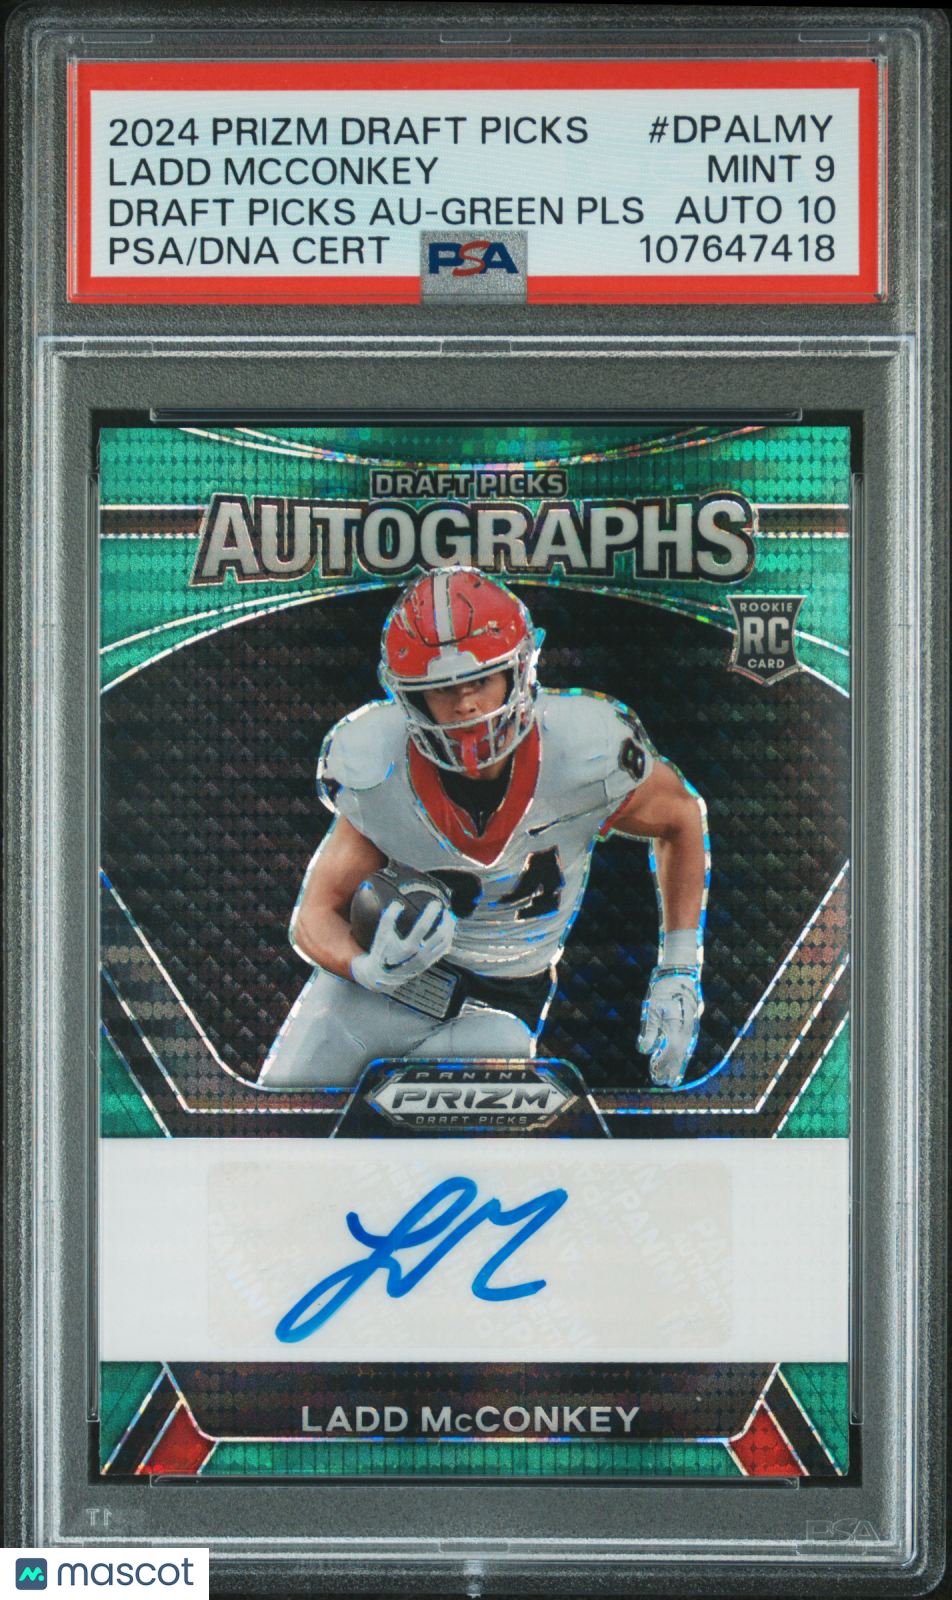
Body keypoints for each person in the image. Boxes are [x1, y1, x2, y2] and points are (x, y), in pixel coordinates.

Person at [259, 567, 707, 1091]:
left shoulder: (584, 750)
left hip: (498, 1007)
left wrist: (679, 969)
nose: (466, 704)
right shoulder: (378, 767)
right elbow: (314, 914)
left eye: (480, 681)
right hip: (381, 992)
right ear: (411, 698)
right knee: (279, 1121)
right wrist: (364, 967)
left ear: (518, 673)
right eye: (442, 688)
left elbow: (680, 818)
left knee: (459, 1110)